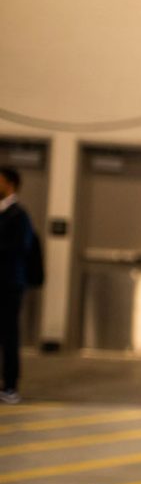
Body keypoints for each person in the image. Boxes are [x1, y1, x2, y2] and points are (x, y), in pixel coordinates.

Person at [0, 168, 33, 405]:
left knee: (9, 335)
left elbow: (21, 247)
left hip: (9, 283)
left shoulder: (19, 215)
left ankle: (10, 386)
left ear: (9, 184)